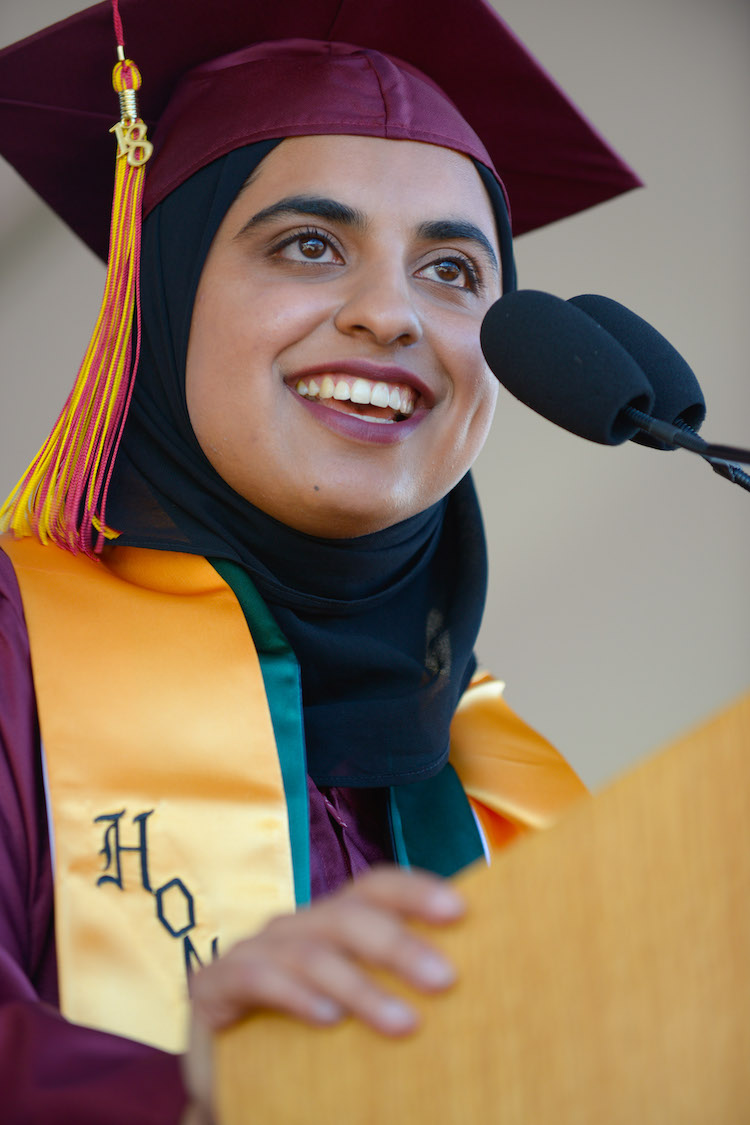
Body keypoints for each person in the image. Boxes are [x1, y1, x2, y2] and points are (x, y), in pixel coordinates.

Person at [0, 1, 639, 1121]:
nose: (392, 315)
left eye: (451, 270)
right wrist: (194, 1093)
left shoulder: (508, 796)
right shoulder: (16, 656)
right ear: (162, 293)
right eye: (309, 244)